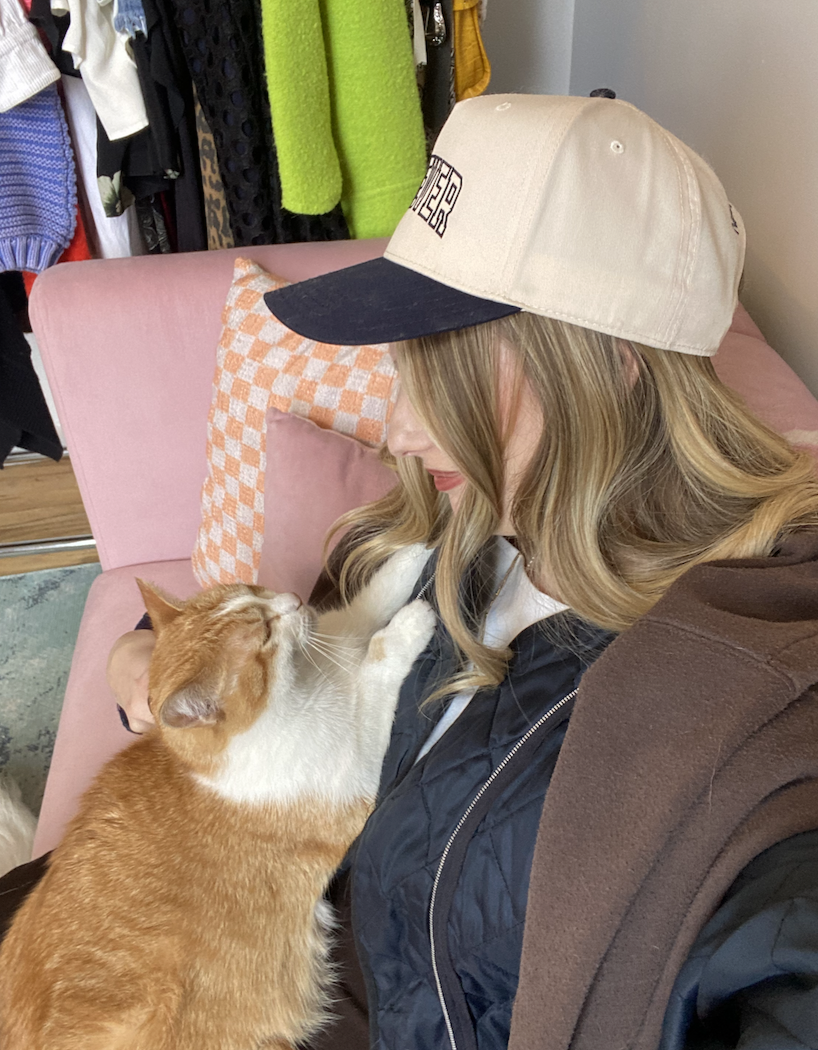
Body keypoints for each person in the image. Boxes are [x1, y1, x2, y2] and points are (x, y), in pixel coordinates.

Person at [7, 93, 818, 1050]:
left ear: (607, 365)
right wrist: (136, 667)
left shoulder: (748, 701)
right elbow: (235, 658)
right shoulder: (438, 531)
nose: (395, 429)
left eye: (441, 367)